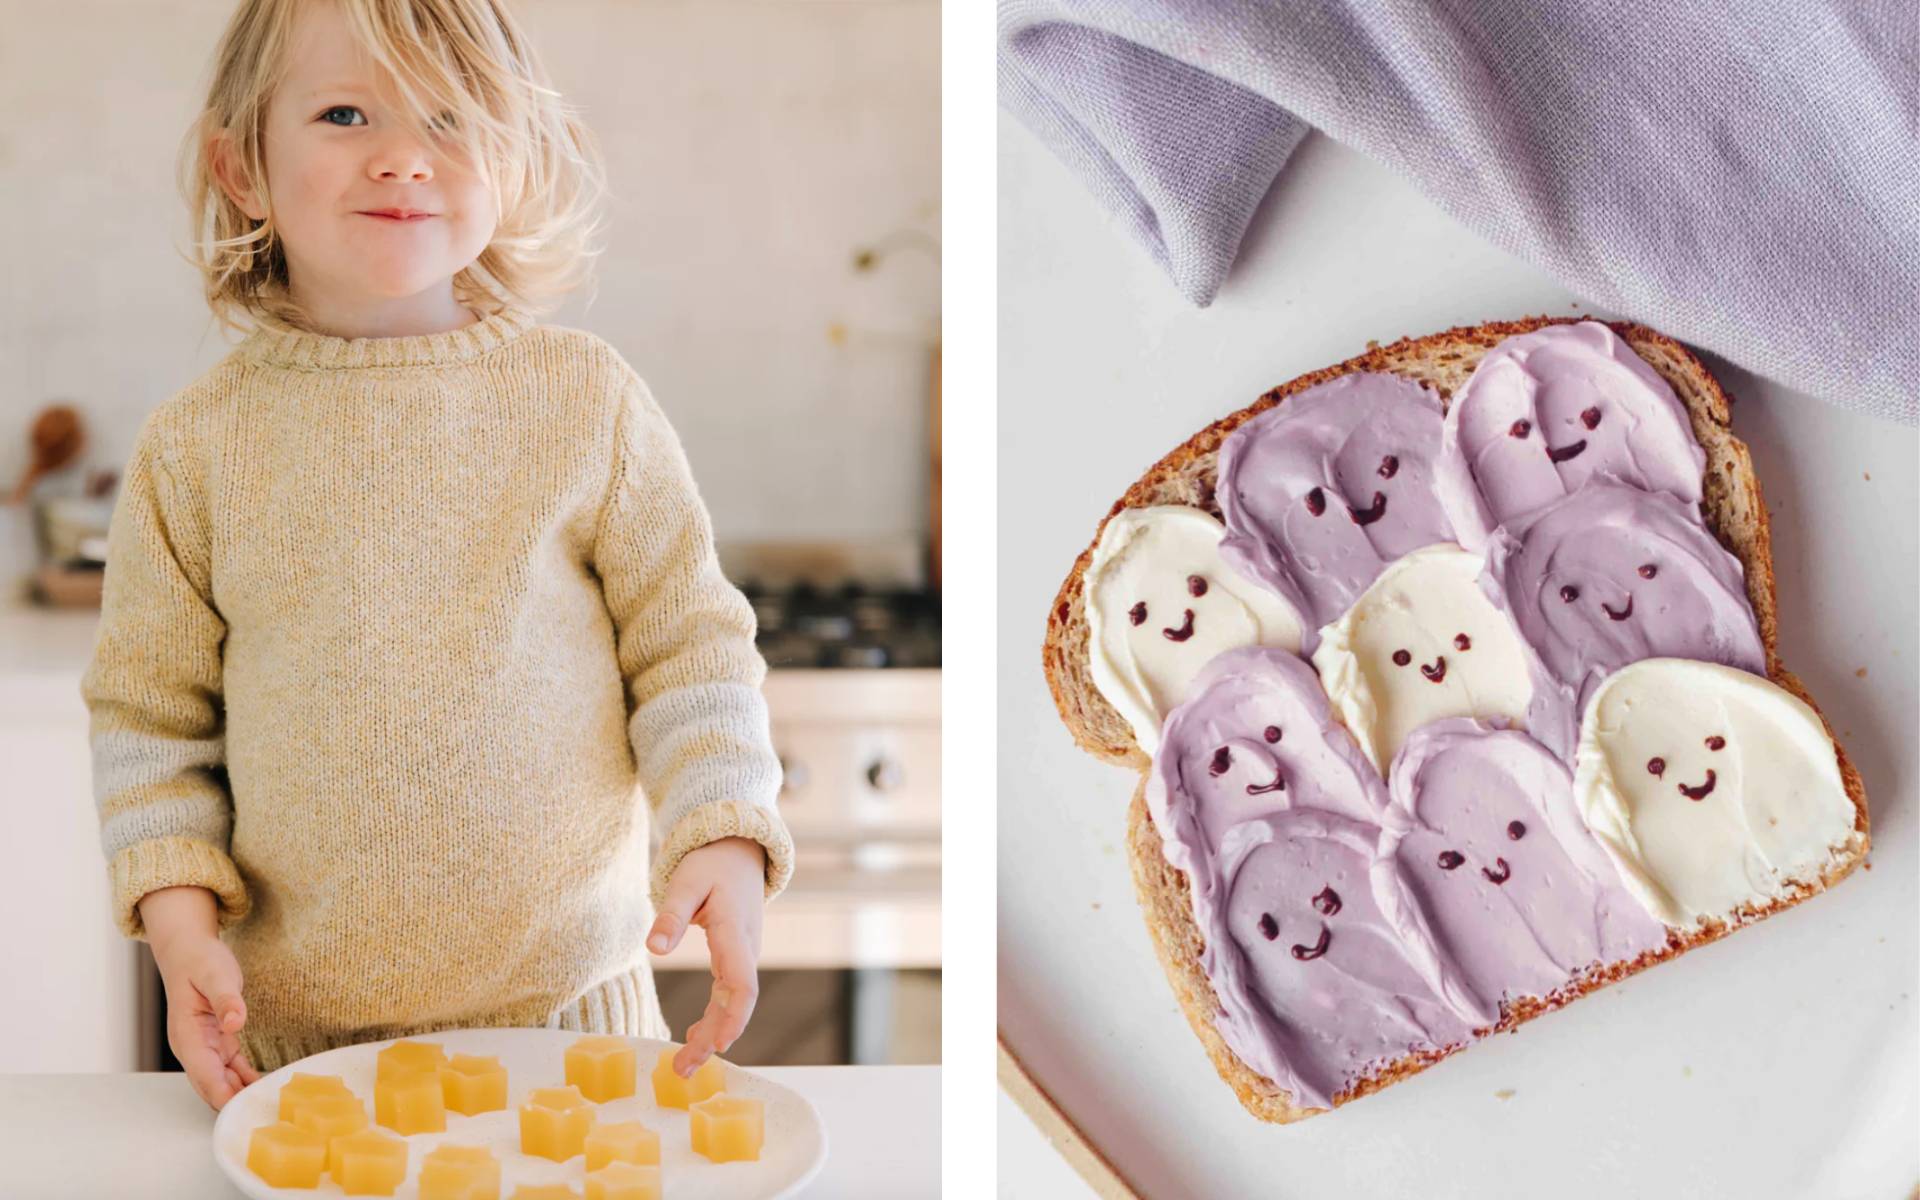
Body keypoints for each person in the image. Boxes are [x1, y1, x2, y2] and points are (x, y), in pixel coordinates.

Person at [78, 0, 793, 1112]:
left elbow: (694, 652)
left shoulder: (586, 401)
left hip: (578, 1031)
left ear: (514, 160)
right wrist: (176, 924)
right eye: (344, 111)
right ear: (243, 168)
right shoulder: (197, 445)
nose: (403, 156)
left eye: (453, 118)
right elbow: (148, 723)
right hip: (299, 1058)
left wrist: (726, 832)